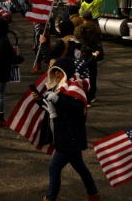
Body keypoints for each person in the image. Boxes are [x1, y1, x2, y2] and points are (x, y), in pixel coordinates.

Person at [33, 57, 100, 201]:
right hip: (66, 135)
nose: (56, 74)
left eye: (60, 72)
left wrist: (58, 99)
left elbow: (78, 109)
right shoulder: (61, 86)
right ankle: (94, 195)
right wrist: (39, 100)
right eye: (55, 71)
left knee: (54, 168)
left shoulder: (75, 87)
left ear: (67, 72)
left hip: (70, 136)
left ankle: (50, 198)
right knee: (80, 167)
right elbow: (51, 109)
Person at [74, 11, 102, 105]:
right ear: (91, 18)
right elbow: (99, 39)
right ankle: (92, 95)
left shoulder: (78, 29)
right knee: (93, 75)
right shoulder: (97, 28)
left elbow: (76, 41)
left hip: (82, 55)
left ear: (83, 18)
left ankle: (85, 95)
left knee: (83, 75)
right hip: (94, 54)